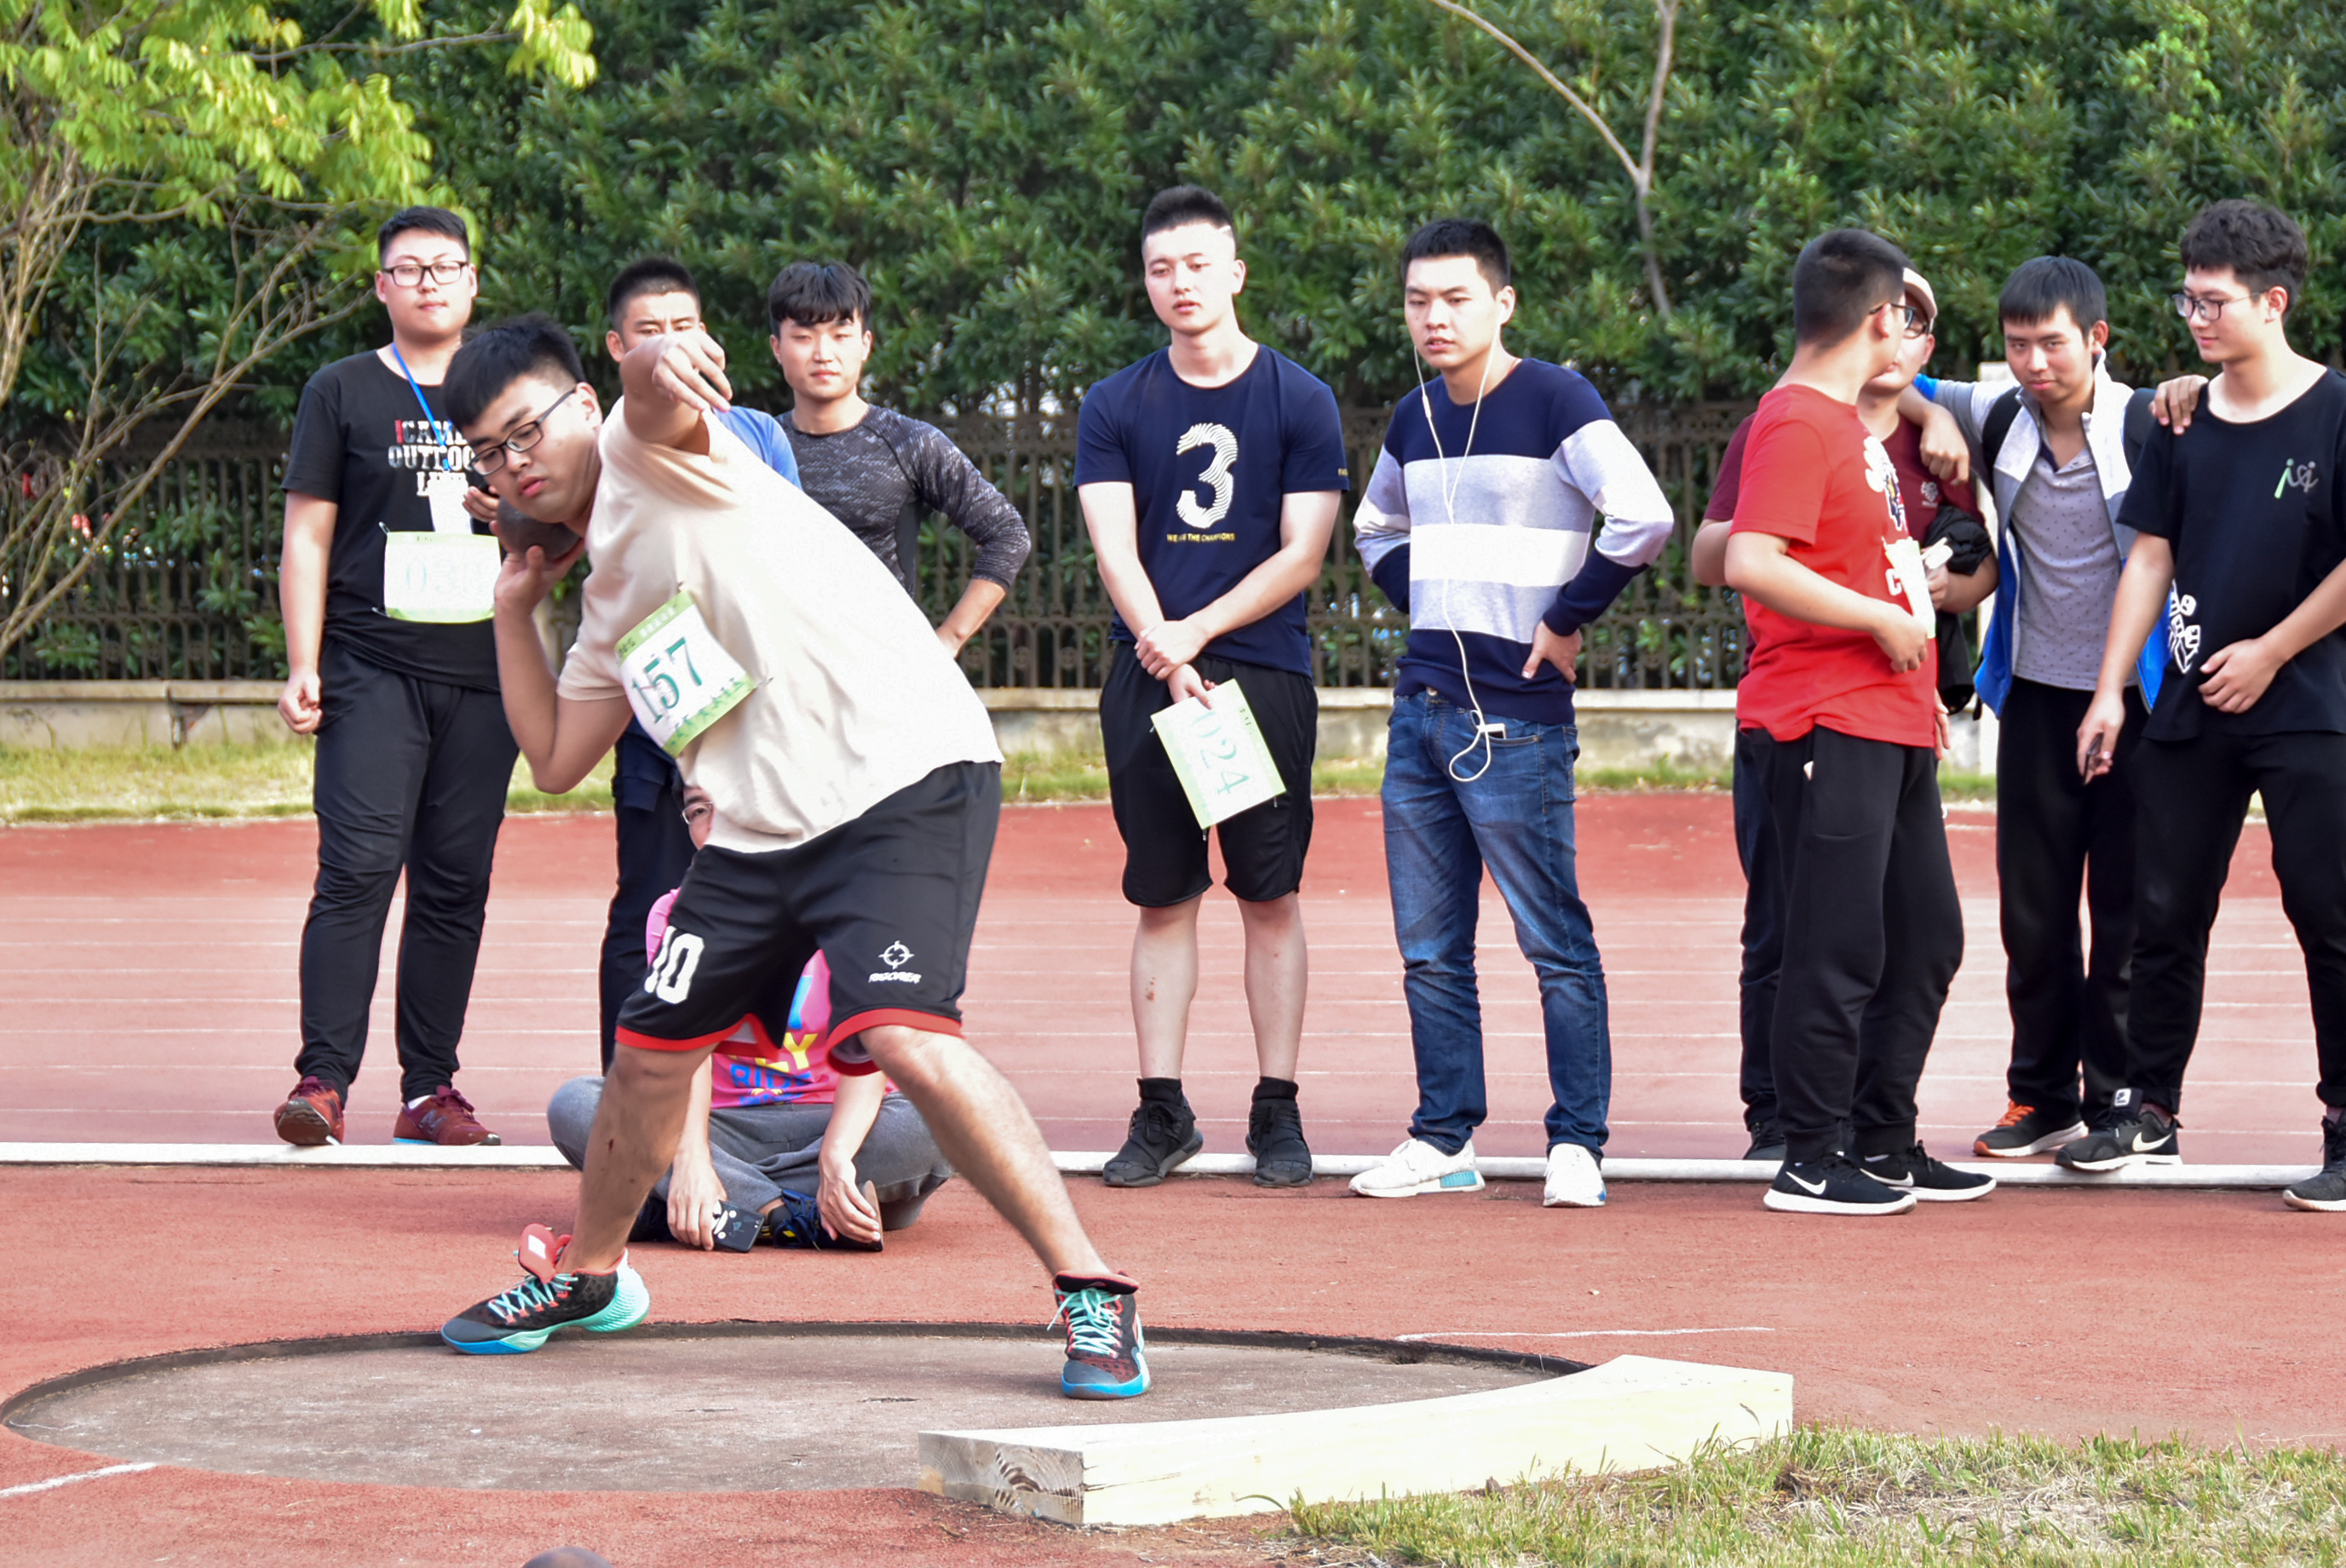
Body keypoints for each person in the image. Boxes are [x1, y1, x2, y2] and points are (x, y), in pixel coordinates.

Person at [437, 315, 1150, 1397]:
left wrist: (655, 361)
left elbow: (652, 393)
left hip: (898, 775)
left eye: (526, 430)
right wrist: (510, 608)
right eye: (490, 454)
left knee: (904, 1036)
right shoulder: (607, 603)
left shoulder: (644, 452)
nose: (515, 463)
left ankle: (1094, 1289)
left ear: (581, 404)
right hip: (761, 830)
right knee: (647, 1051)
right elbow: (553, 757)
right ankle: (590, 1276)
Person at [1347, 218, 1673, 1208]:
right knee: (1429, 949)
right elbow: (1374, 526)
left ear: (1503, 303)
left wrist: (1565, 618)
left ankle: (1577, 1141)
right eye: (1418, 300)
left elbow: (1646, 515)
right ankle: (1443, 1136)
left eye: (1456, 298)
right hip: (1421, 711)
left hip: (1519, 720)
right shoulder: (1414, 415)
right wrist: (1435, 601)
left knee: (1553, 939)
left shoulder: (1557, 399)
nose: (1435, 317)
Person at [2056, 200, 2346, 1213]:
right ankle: (2147, 1107)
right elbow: (2151, 554)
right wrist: (2109, 688)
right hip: (2191, 706)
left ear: (2274, 302)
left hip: (2310, 700)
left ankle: (2345, 1126)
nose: (2195, 317)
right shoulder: (2177, 418)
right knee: (2164, 911)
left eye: (2214, 300)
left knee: (2330, 913)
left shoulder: (2337, 410)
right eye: (2187, 298)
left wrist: (2271, 651)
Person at [1074, 185, 1347, 1190]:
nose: (1179, 283)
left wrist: (1199, 631)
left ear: (1235, 272)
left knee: (1268, 893)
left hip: (1260, 672)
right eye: (1161, 269)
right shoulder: (1114, 403)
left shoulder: (1299, 398)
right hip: (1151, 673)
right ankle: (1163, 1108)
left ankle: (1278, 1106)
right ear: (1146, 283)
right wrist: (1166, 646)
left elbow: (1303, 553)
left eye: (1197, 265)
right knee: (1163, 896)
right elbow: (1114, 546)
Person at [1692, 268, 1991, 1164]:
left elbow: (1889, 565)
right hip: (1823, 712)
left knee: (1925, 938)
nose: (1907, 334)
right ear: (1877, 319)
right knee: (1825, 942)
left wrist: (1917, 676)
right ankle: (1807, 1148)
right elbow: (1745, 557)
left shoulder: (1866, 430)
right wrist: (1877, 619)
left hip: (1893, 712)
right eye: (1901, 314)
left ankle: (1882, 1138)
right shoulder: (1793, 422)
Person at [1885, 258, 2161, 1160]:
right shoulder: (1999, 413)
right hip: (2038, 698)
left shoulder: (2147, 422)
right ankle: (2041, 1094)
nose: (2035, 363)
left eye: (2052, 343)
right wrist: (1935, 415)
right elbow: (1882, 366)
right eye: (2017, 345)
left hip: (2138, 702)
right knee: (2033, 911)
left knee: (2125, 909)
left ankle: (2122, 1098)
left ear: (2097, 338)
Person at [271, 206, 513, 1148]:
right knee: (358, 869)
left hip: (486, 671)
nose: (428, 282)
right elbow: (307, 535)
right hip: (370, 663)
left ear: (472, 281)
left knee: (454, 883)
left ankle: (430, 1090)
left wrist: (513, 512)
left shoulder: (513, 391)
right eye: (408, 268)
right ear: (382, 287)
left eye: (445, 266)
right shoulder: (341, 390)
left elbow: (567, 515)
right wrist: (303, 661)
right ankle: (323, 1080)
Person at [547, 787, 955, 1251]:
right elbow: (683, 1048)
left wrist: (836, 1156)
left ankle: (684, 1205)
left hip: (841, 1124)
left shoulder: (870, 907)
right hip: (720, 1126)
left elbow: (871, 1054)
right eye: (699, 810)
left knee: (940, 1114)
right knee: (579, 1103)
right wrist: (691, 1160)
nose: (717, 821)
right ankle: (790, 1216)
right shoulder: (677, 913)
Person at [586, 257, 808, 1071]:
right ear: (619, 348)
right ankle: (624, 1095)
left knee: (764, 898)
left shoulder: (759, 434)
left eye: (684, 327)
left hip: (754, 711)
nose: (671, 344)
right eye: (650, 332)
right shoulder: (607, 442)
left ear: (708, 336)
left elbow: (788, 551)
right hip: (660, 710)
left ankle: (760, 1088)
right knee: (648, 904)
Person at [770, 260, 1032, 654]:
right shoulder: (756, 447)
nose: (823, 353)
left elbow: (1008, 534)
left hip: (883, 668)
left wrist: (948, 641)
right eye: (804, 337)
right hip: (782, 669)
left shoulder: (910, 443)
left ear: (865, 344)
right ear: (777, 347)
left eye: (840, 336)